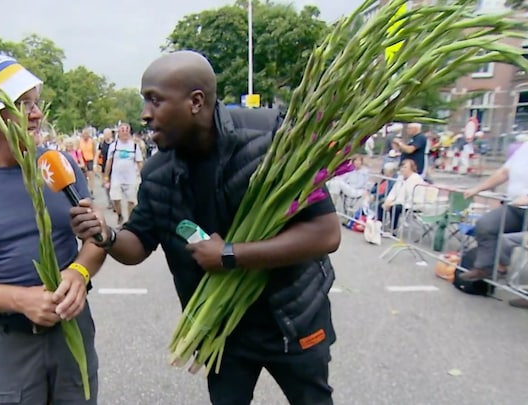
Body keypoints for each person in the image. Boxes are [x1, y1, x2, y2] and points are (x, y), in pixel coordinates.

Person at [70, 50, 340, 405]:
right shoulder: (157, 172)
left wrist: (229, 255)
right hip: (221, 331)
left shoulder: (269, 139)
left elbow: (325, 232)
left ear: (195, 101)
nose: (144, 114)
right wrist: (106, 235)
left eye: (155, 100)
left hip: (291, 318)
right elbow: (139, 243)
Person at [0, 54, 104, 405]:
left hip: (73, 330)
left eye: (35, 102)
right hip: (7, 340)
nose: (37, 113)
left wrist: (79, 270)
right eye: (22, 104)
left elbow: (94, 240)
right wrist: (20, 299)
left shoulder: (59, 165)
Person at [460, 142, 528, 294]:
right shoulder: (524, 148)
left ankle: (506, 272)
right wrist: (477, 188)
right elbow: (504, 172)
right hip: (515, 207)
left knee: (512, 241)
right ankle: (484, 268)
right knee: (485, 225)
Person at [104, 123, 143, 225]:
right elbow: (109, 161)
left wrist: (142, 175)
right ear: (119, 132)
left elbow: (139, 162)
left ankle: (129, 221)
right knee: (115, 199)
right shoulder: (114, 146)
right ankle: (120, 215)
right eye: (122, 130)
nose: (125, 132)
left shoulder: (134, 146)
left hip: (131, 178)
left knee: (131, 201)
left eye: (126, 130)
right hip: (116, 178)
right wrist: (106, 176)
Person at [78, 128, 96, 195]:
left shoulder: (92, 141)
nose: (85, 135)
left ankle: (91, 190)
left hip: (89, 159)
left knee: (91, 175)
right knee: (83, 176)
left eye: (86, 134)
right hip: (82, 160)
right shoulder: (79, 141)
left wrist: (94, 160)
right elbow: (78, 151)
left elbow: (94, 151)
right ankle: (85, 190)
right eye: (84, 134)